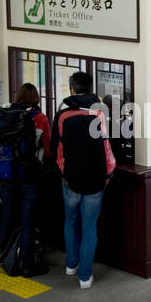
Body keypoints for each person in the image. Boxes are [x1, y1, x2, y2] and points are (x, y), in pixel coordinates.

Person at [54, 72, 115, 289]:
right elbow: (106, 147)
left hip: (70, 178)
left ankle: (71, 265)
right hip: (95, 178)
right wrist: (108, 174)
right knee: (89, 226)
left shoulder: (61, 115)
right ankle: (85, 277)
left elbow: (56, 148)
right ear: (90, 89)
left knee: (70, 220)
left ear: (71, 89)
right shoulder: (99, 113)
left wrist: (64, 172)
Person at [0, 83, 50, 276]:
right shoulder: (39, 119)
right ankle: (26, 266)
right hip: (29, 177)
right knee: (28, 222)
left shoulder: (3, 115)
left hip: (5, 175)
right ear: (36, 99)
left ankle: (1, 257)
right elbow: (47, 150)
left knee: (7, 216)